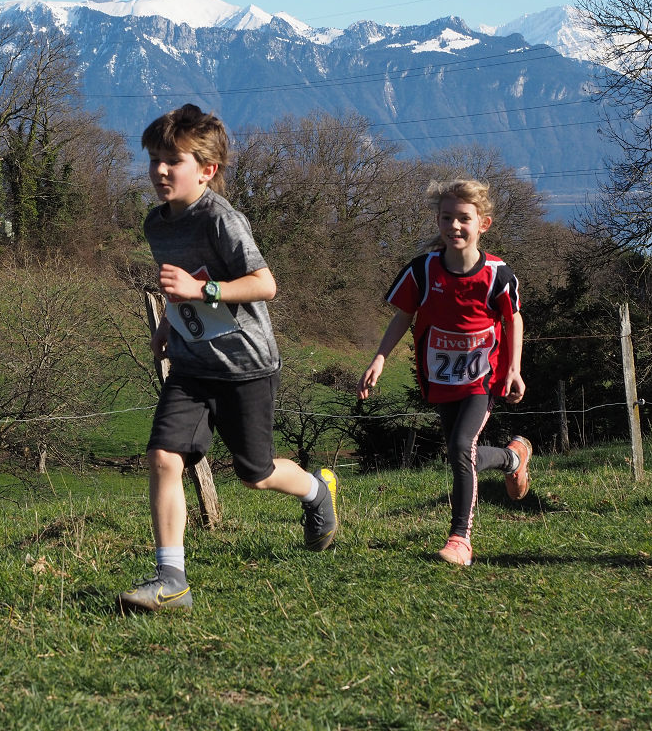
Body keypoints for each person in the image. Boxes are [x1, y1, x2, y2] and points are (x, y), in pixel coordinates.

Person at [117, 104, 338, 613]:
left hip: (246, 367)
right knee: (163, 457)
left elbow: (265, 284)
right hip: (192, 367)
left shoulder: (222, 220)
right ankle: (172, 581)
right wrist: (170, 323)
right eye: (154, 160)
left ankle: (316, 491)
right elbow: (178, 285)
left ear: (207, 169)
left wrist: (203, 290)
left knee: (255, 473)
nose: (160, 171)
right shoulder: (156, 225)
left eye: (173, 161)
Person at [356, 179, 531, 567]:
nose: (455, 226)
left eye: (464, 218)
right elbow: (404, 315)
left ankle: (460, 540)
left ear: (483, 224)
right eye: (447, 217)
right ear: (437, 220)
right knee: (460, 453)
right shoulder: (422, 270)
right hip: (440, 378)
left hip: (483, 378)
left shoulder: (498, 274)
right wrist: (379, 359)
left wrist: (514, 369)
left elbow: (513, 318)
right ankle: (512, 459)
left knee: (461, 448)